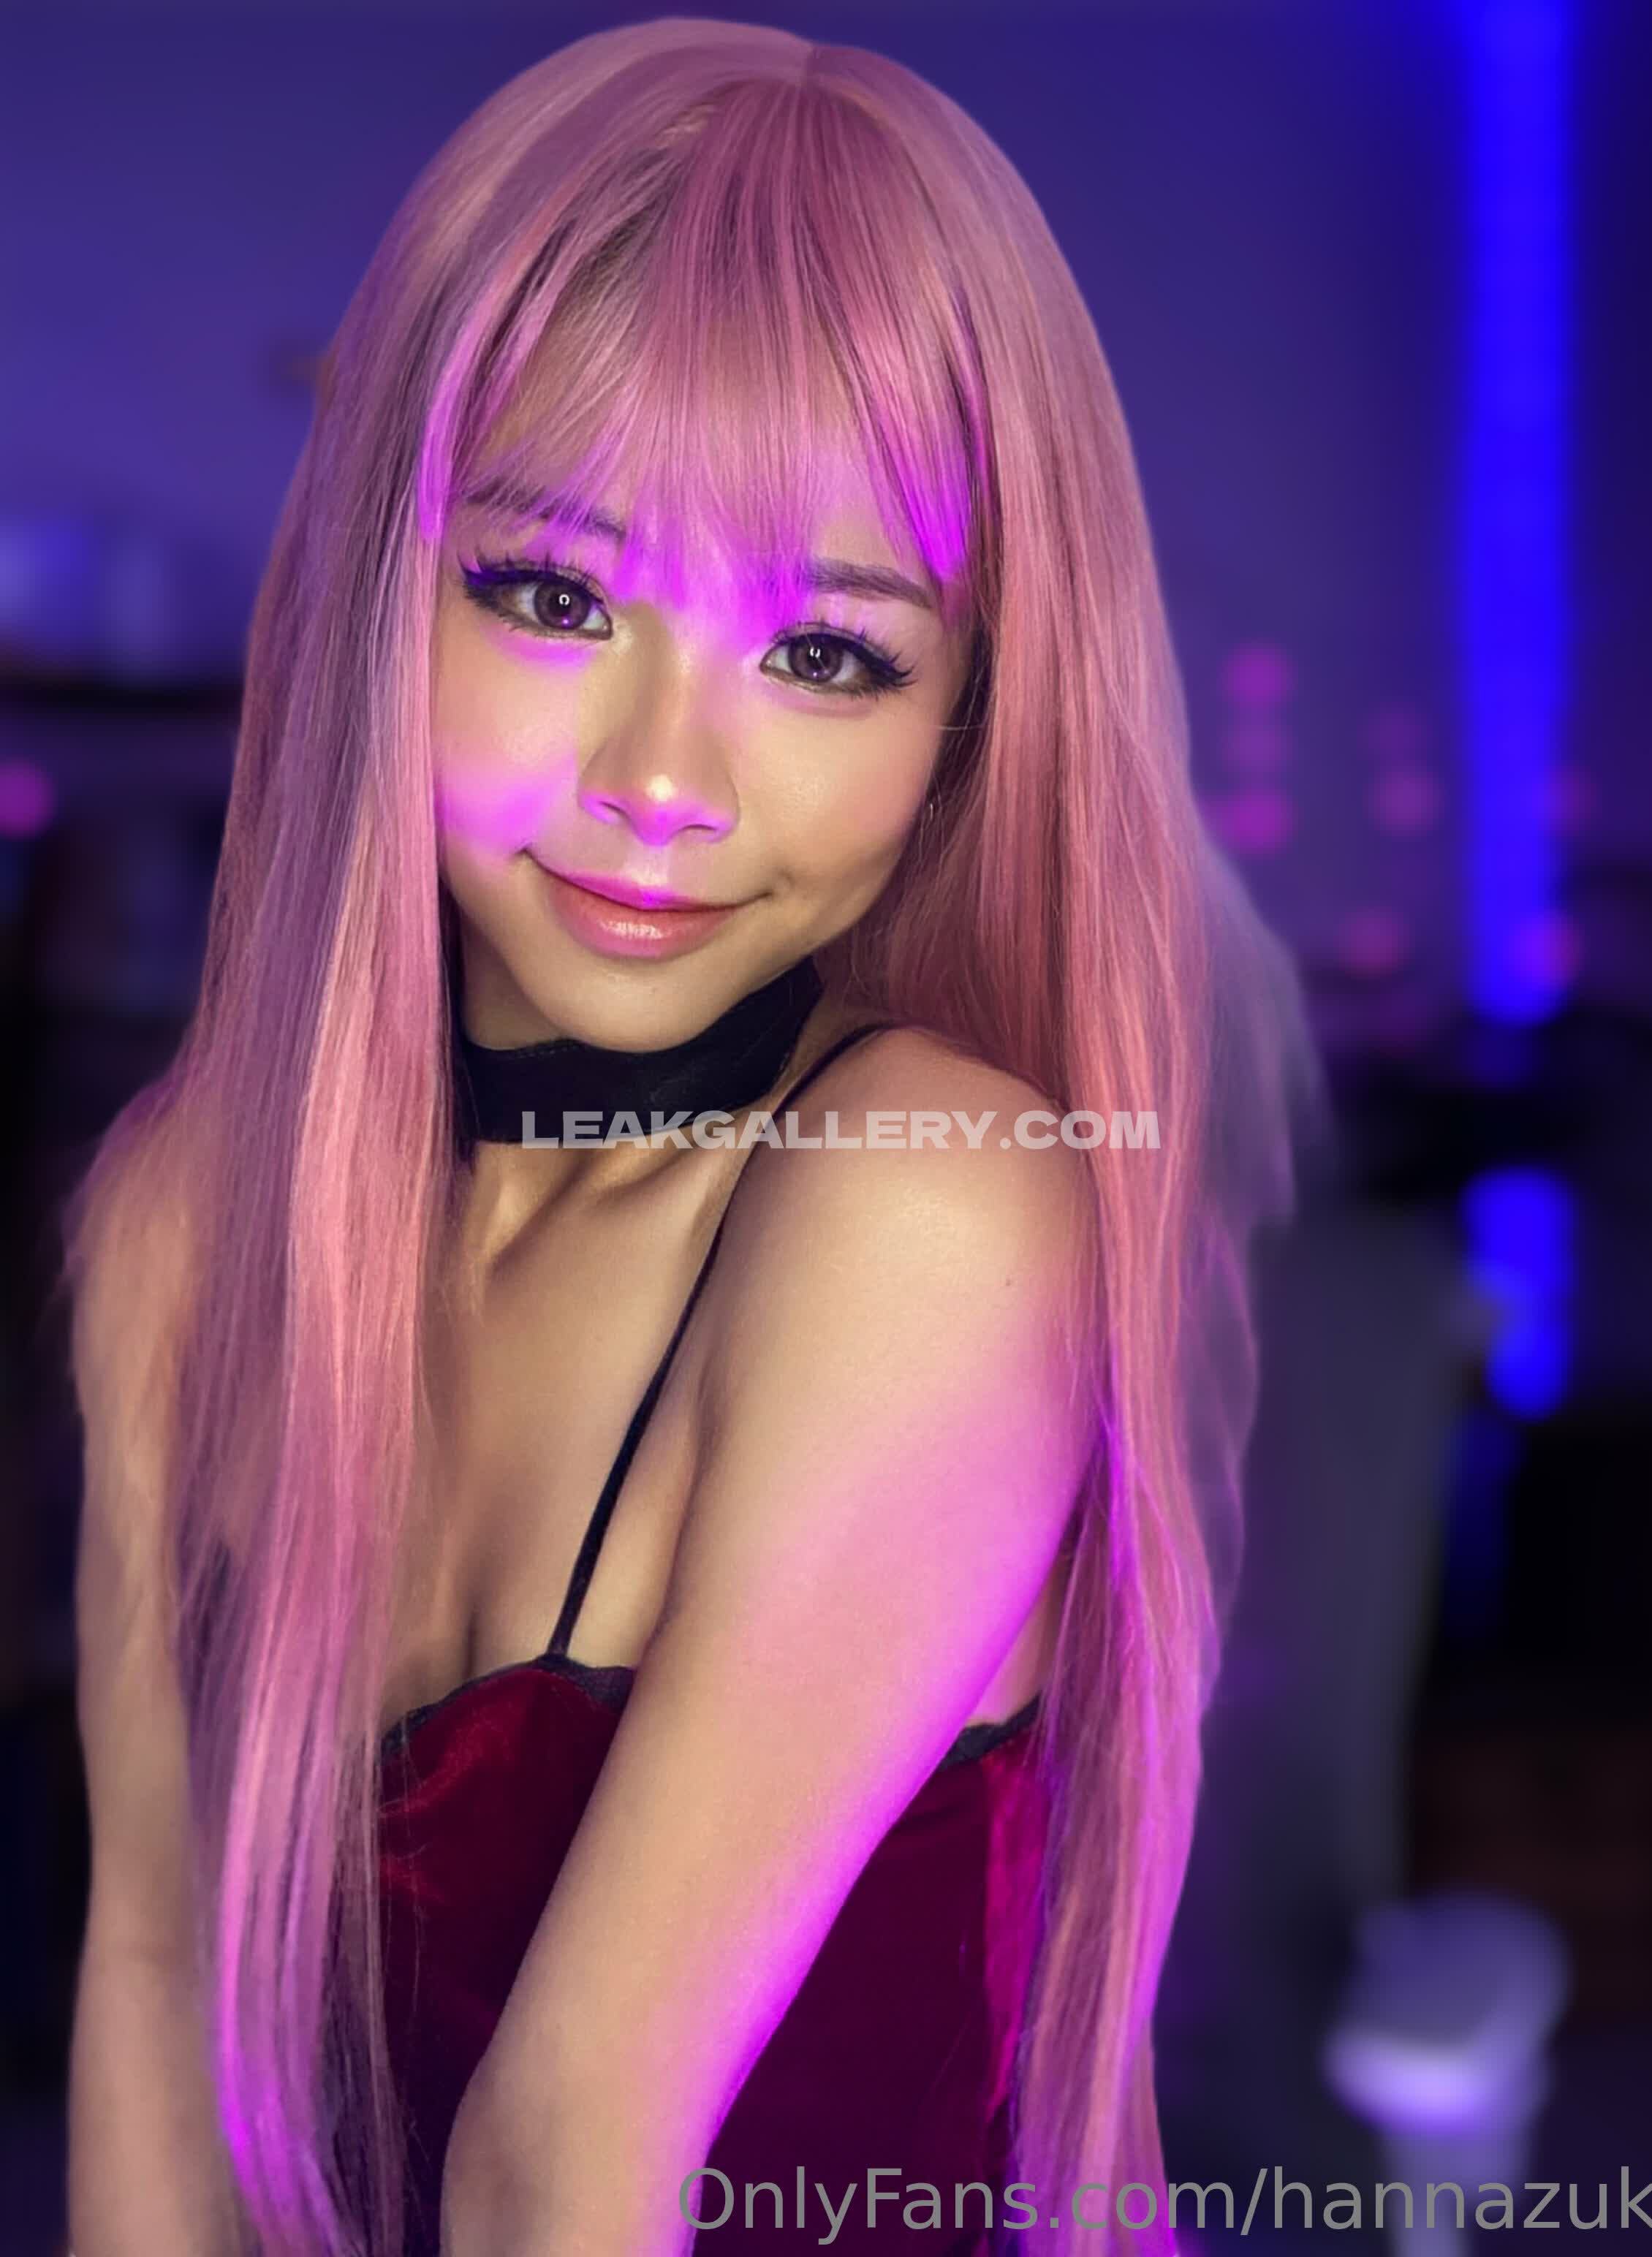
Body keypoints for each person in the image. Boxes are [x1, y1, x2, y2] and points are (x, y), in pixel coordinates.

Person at [59, 20, 1310, 2257]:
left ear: (966, 716)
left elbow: (561, 2163)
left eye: (824, 655)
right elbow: (156, 2001)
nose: (662, 783)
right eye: (552, 597)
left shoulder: (925, 1202)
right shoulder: (181, 1223)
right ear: (380, 585)